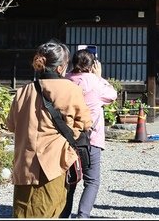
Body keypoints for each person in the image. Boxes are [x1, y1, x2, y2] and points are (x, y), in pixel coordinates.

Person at [6, 40, 91, 218]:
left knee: (23, 212)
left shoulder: (23, 91)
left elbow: (11, 125)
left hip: (25, 164)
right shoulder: (70, 90)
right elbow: (85, 123)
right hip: (54, 164)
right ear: (60, 68)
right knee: (51, 210)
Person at [61, 47, 117, 219]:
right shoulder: (95, 82)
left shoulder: (65, 81)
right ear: (93, 65)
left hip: (67, 137)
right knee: (91, 181)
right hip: (91, 138)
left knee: (69, 180)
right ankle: (83, 215)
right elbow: (112, 95)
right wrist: (99, 77)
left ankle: (63, 214)